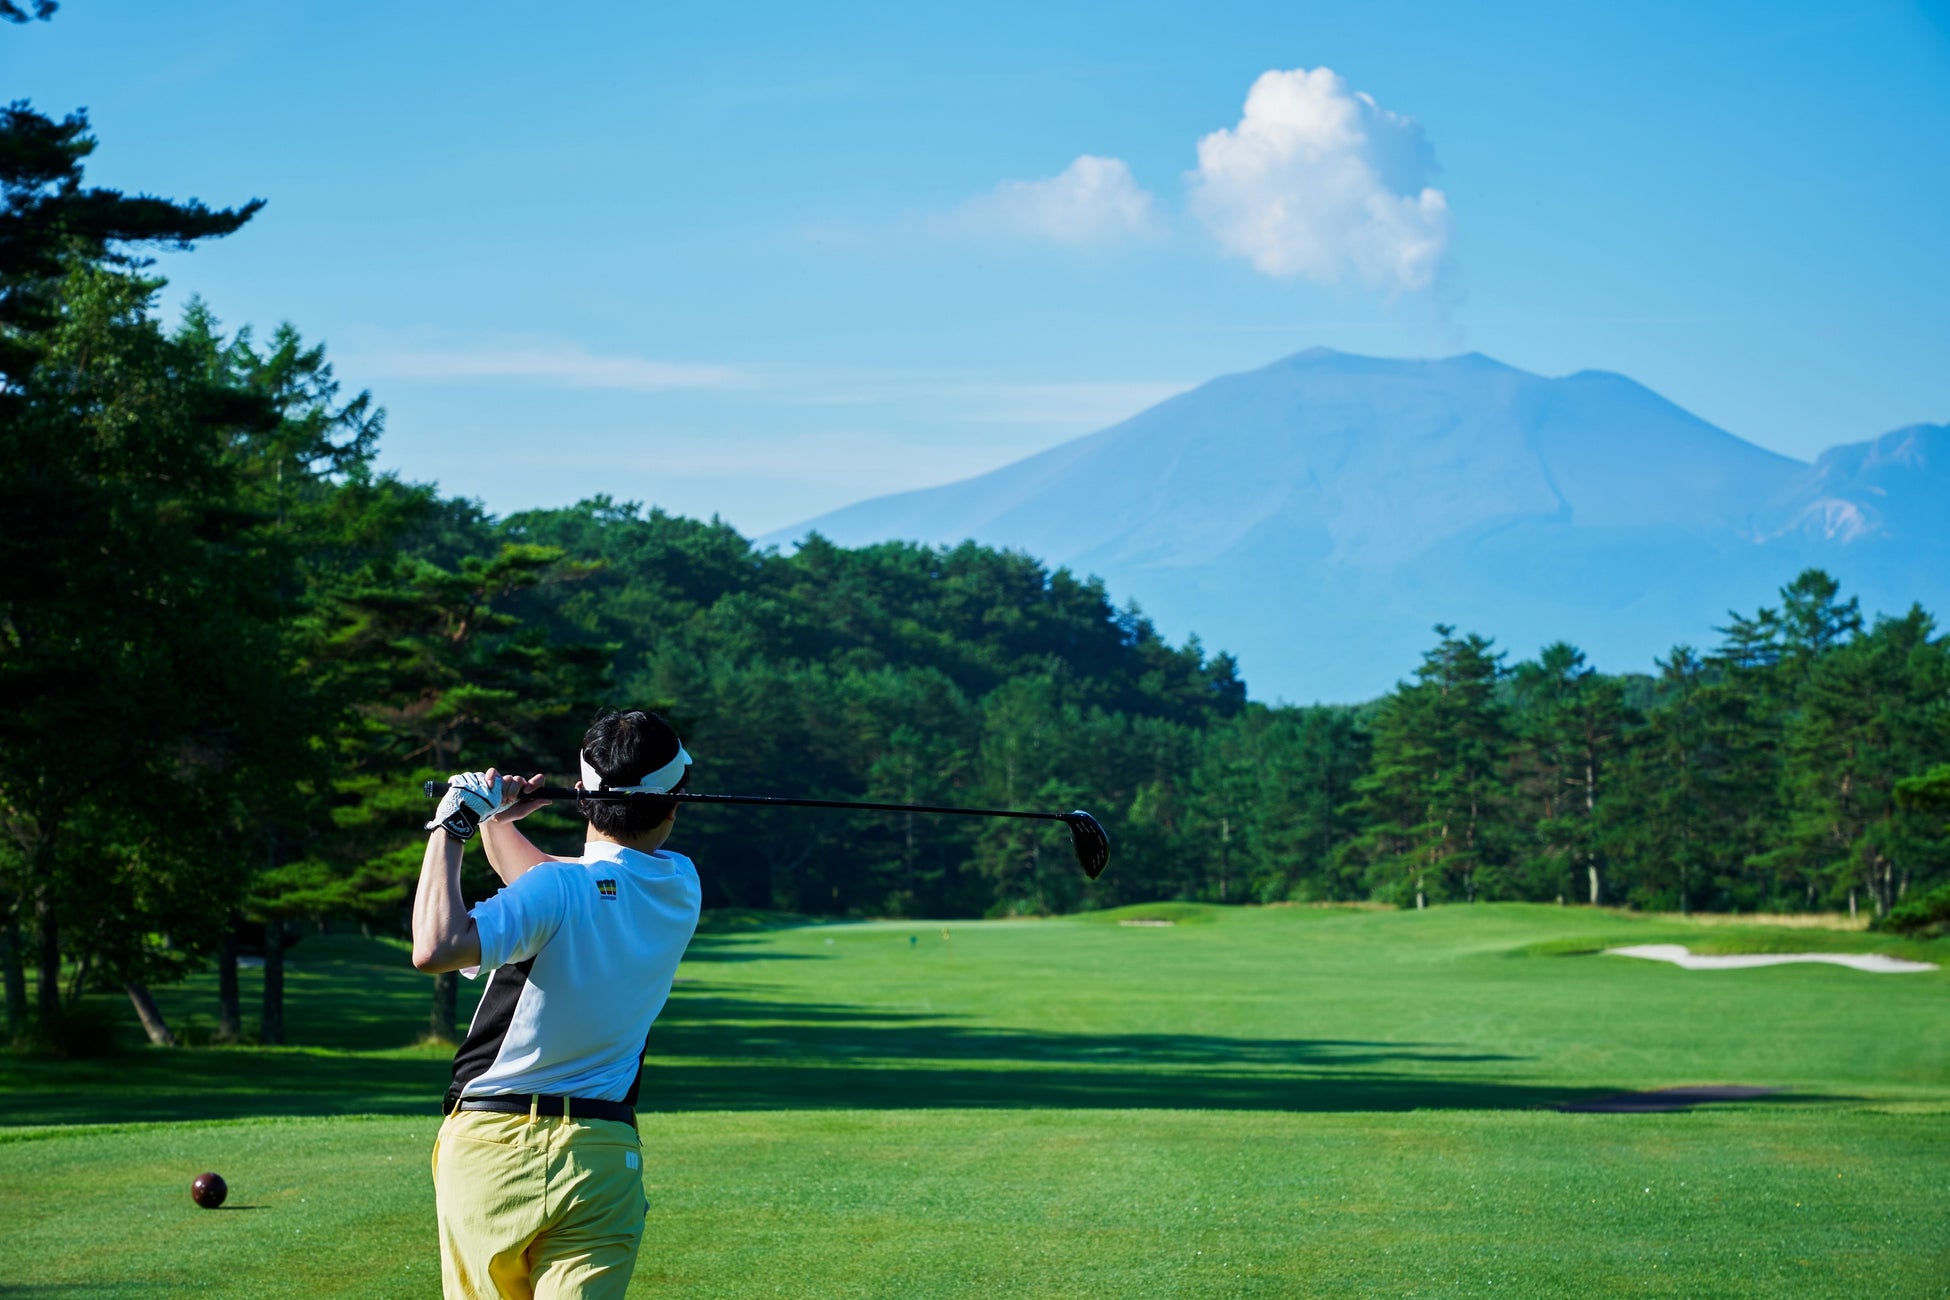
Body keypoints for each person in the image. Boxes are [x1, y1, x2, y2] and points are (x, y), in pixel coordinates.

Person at [413, 708, 703, 1300]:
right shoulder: (681, 884)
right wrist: (494, 822)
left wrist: (454, 825)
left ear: (581, 794)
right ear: (676, 803)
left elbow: (436, 947)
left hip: (491, 1152)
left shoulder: (556, 890)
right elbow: (559, 885)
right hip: (601, 1157)